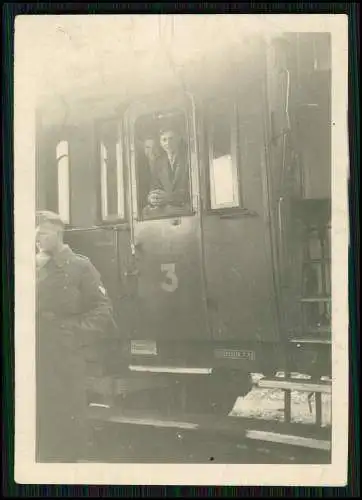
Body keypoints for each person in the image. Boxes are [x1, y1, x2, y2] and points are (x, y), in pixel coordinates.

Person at [35, 210, 115, 462]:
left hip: (64, 355)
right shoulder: (27, 265)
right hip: (33, 351)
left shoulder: (80, 266)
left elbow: (103, 309)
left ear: (58, 234)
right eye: (35, 235)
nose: (37, 239)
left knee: (64, 421)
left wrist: (74, 332)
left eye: (43, 234)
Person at [143, 127, 190, 217]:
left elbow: (193, 192)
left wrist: (169, 197)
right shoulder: (158, 163)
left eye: (171, 139)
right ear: (160, 143)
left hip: (185, 209)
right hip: (166, 209)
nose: (168, 143)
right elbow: (154, 187)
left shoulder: (189, 159)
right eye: (164, 140)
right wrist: (151, 198)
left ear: (179, 139)